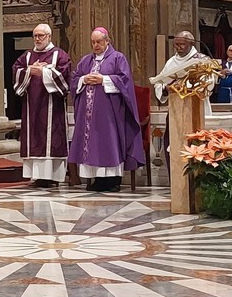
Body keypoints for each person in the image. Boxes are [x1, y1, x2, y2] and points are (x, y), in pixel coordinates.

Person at [68, 27, 145, 192]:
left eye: (99, 42)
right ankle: (96, 179)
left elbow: (125, 81)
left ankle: (112, 181)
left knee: (108, 142)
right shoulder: (86, 61)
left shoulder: (118, 58)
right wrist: (83, 79)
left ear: (107, 41)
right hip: (88, 115)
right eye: (93, 42)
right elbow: (74, 80)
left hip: (109, 113)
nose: (95, 45)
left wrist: (104, 80)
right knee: (91, 144)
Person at [13, 23, 71, 188]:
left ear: (49, 37)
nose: (37, 39)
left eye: (41, 36)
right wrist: (29, 71)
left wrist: (45, 72)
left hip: (52, 106)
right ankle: (36, 176)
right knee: (34, 137)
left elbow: (66, 76)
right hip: (32, 106)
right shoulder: (27, 56)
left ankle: (51, 177)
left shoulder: (59, 55)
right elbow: (16, 70)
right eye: (35, 36)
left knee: (51, 139)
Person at [150, 30, 212, 175]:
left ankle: (197, 179)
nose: (178, 47)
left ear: (191, 43)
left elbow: (209, 83)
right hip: (175, 111)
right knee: (171, 143)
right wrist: (166, 88)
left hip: (195, 110)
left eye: (182, 44)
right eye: (176, 45)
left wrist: (185, 85)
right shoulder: (171, 62)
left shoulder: (202, 60)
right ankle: (175, 180)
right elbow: (160, 83)